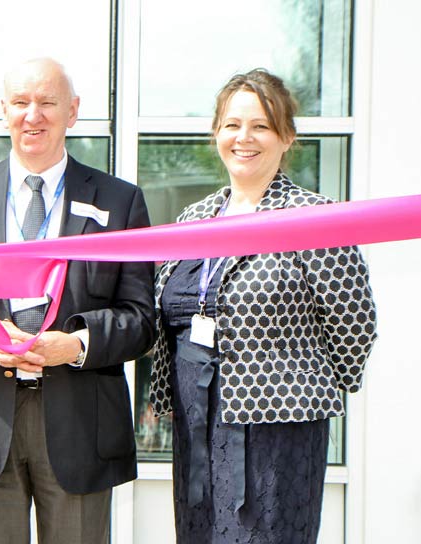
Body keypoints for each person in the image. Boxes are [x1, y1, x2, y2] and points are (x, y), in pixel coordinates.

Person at [0, 58, 156, 544]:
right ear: (3, 111)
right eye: (21, 103)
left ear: (72, 112)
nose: (33, 115)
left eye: (48, 102)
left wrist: (74, 345)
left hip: (80, 424)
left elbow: (141, 319)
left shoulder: (120, 202)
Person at [148, 68, 377, 544]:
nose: (243, 138)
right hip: (198, 423)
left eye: (261, 126)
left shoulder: (316, 219)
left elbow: (355, 326)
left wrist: (299, 385)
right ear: (216, 134)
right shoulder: (193, 219)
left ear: (286, 137)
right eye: (232, 125)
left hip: (277, 428)